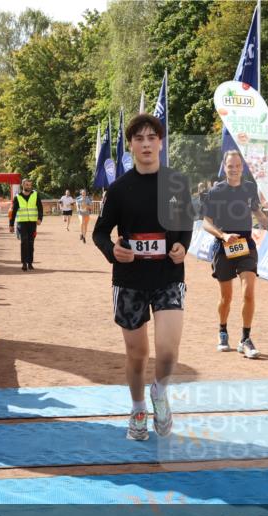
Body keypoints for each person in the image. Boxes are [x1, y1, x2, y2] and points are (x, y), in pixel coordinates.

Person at [92, 113, 194, 441]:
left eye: (152, 137)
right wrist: (113, 250)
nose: (146, 144)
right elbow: (100, 232)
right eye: (139, 138)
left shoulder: (177, 183)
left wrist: (181, 246)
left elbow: (186, 225)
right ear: (132, 146)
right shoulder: (120, 189)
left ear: (161, 143)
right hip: (129, 281)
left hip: (167, 276)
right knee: (137, 355)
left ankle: (159, 393)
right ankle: (137, 409)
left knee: (168, 350)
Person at [202, 150, 268, 359]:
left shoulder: (249, 188)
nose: (234, 170)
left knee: (248, 292)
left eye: (237, 166)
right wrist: (223, 235)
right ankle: (222, 331)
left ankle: (245, 339)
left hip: (246, 246)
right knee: (226, 298)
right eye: (230, 166)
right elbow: (206, 222)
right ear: (224, 168)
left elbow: (257, 212)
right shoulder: (215, 192)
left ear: (242, 168)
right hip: (224, 247)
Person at [10, 178, 43, 271]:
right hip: (21, 222)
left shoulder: (35, 195)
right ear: (23, 185)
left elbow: (40, 208)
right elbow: (13, 211)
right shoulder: (18, 197)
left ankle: (30, 263)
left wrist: (40, 218)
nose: (29, 186)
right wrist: (11, 224)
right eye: (27, 185)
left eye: (30, 185)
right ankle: (24, 263)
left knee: (31, 243)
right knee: (24, 242)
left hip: (32, 223)